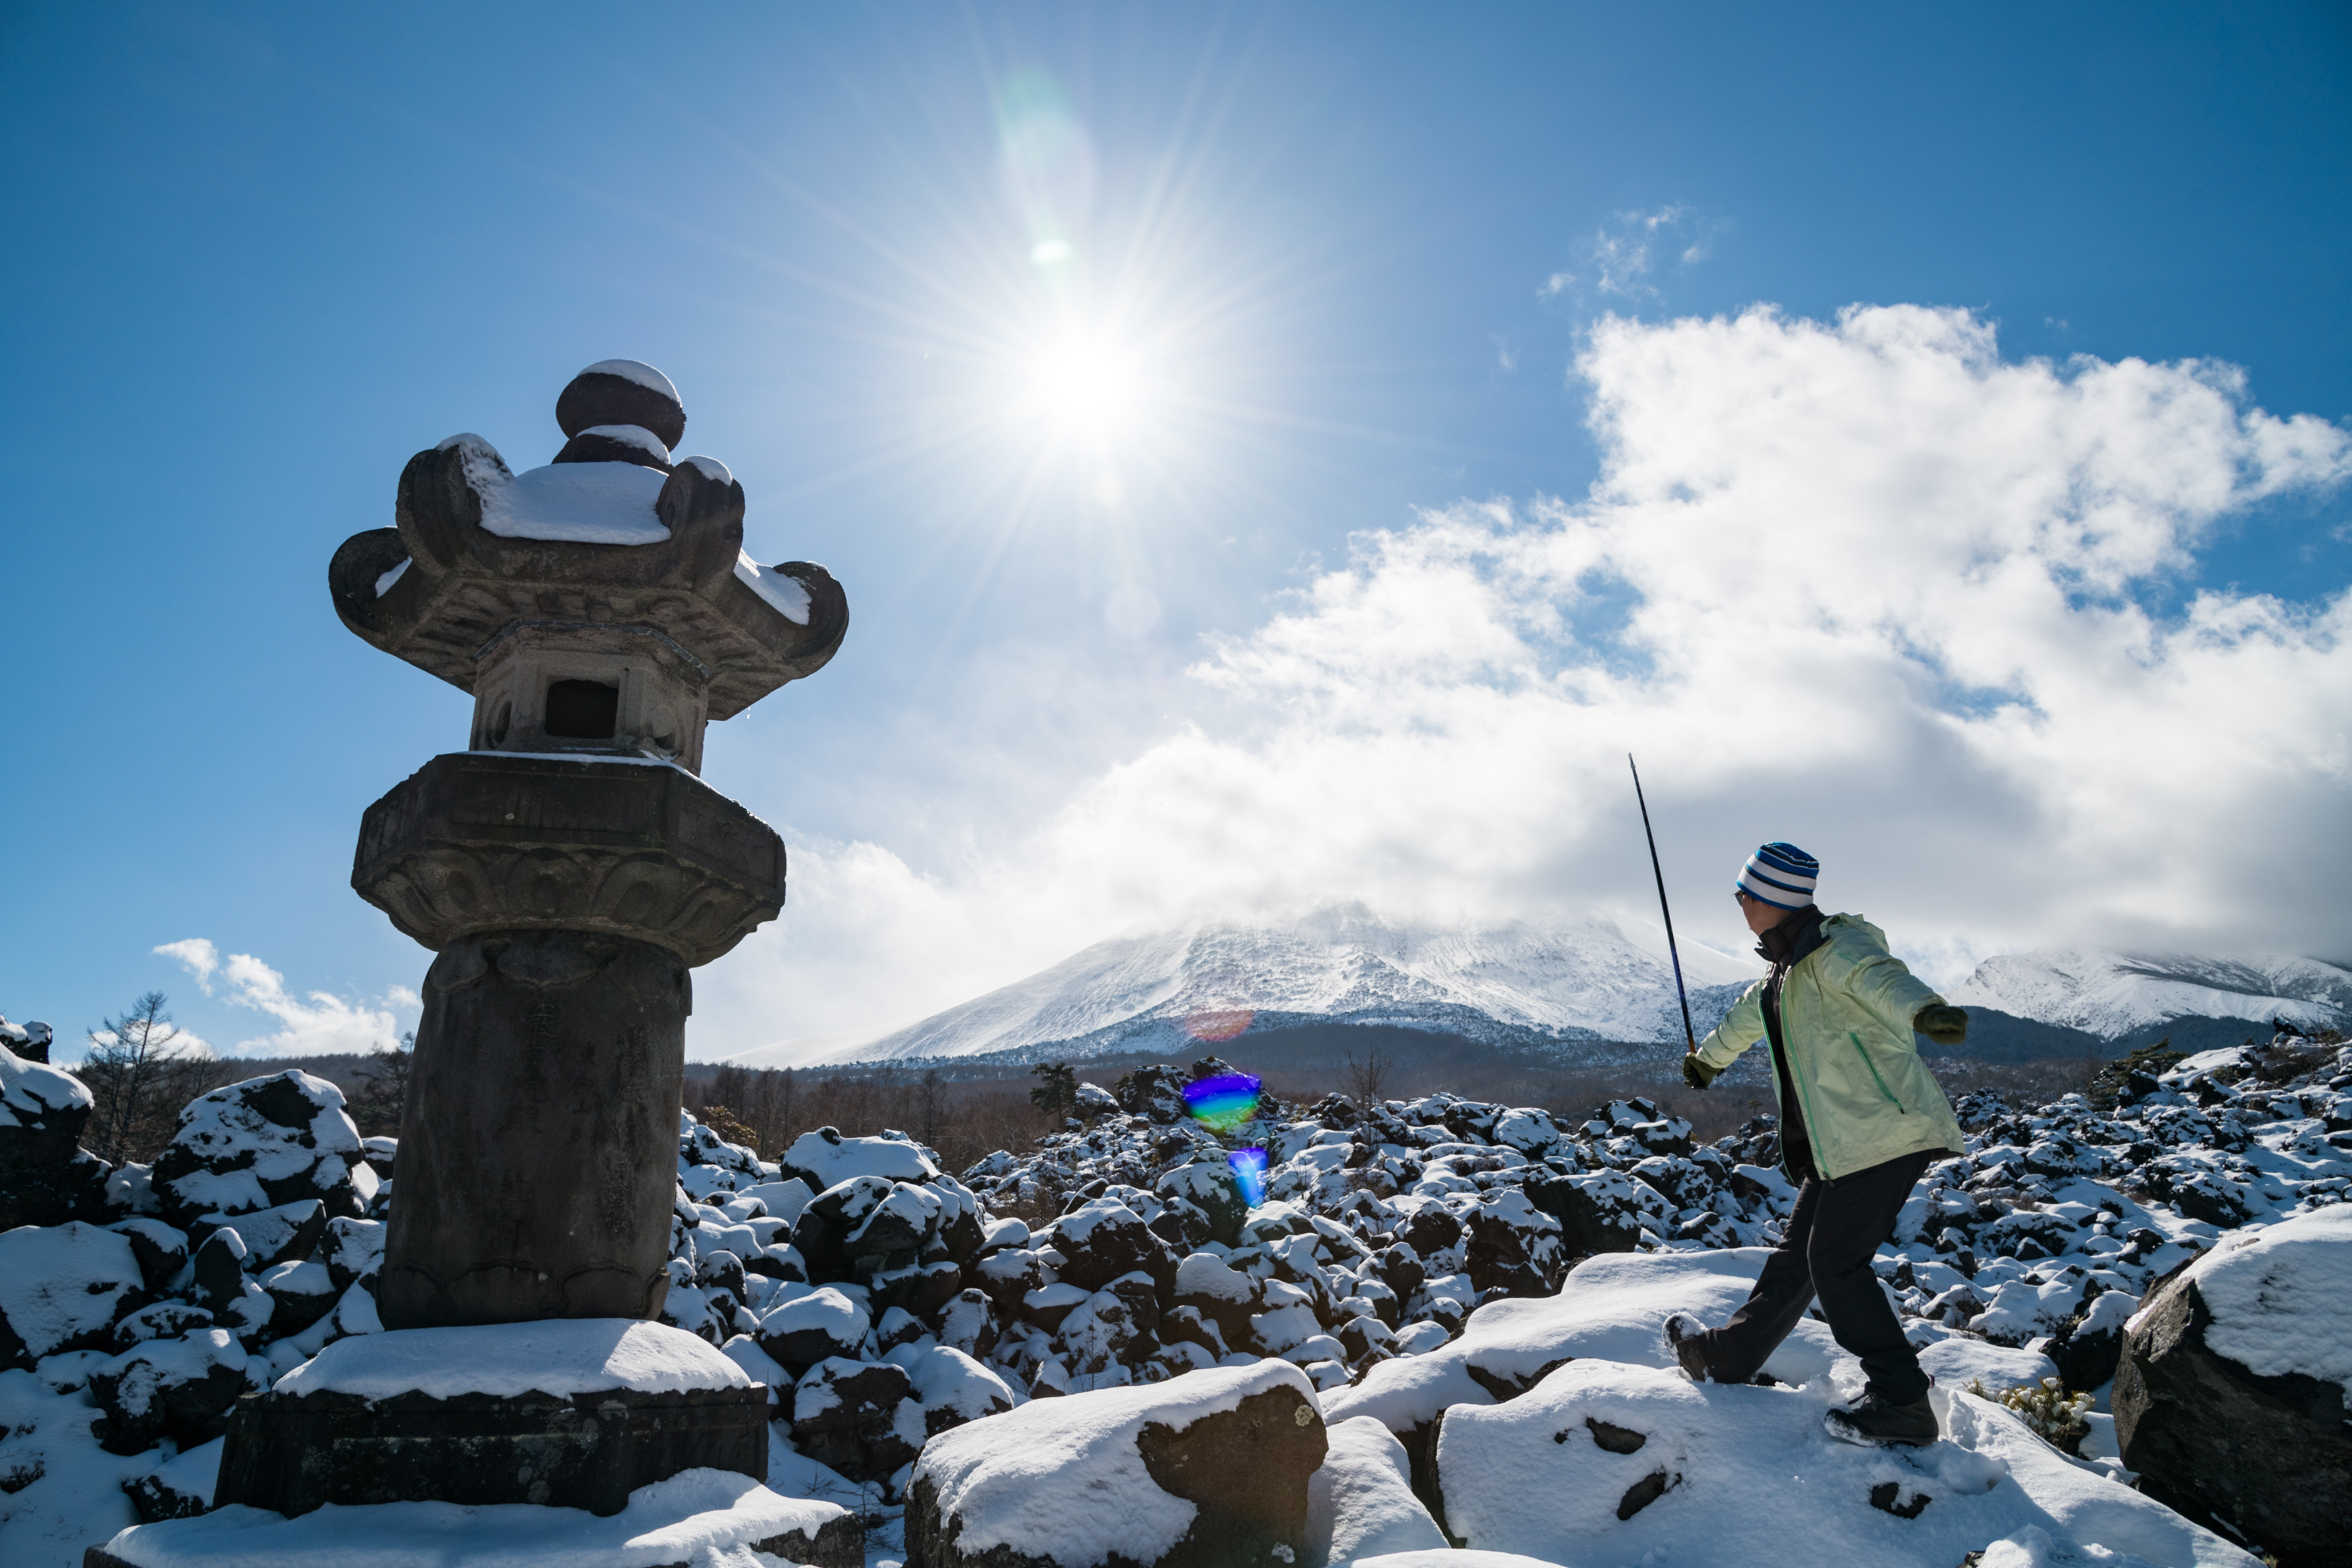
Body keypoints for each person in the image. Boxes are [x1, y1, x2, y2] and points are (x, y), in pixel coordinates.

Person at [1664, 842, 1971, 1446]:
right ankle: (1727, 1358)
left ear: (1775, 899)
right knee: (1797, 1258)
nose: (1739, 901)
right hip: (1839, 1145)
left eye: (1746, 892)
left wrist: (1926, 1011)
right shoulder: (1783, 975)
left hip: (1884, 1132)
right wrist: (1706, 1063)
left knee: (1835, 1265)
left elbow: (1882, 978)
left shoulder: (1837, 951)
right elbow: (1744, 1020)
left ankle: (1903, 1402)